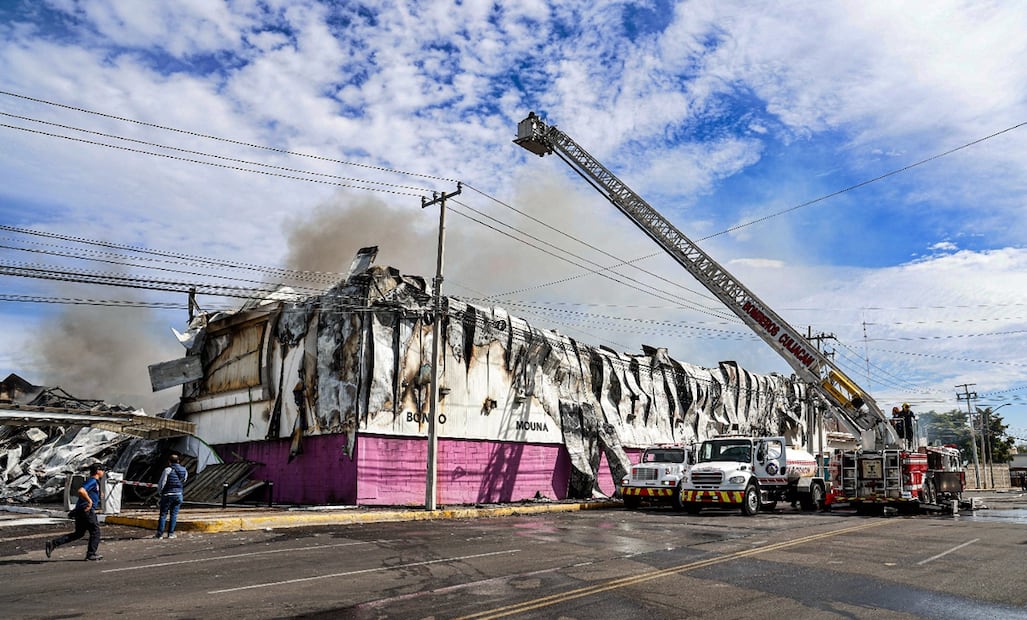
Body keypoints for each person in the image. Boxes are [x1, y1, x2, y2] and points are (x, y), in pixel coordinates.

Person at [45, 463, 104, 561]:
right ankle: (91, 554)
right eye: (102, 470)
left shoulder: (95, 482)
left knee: (79, 534)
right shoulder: (92, 481)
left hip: (80, 510)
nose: (103, 472)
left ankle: (53, 543)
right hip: (86, 510)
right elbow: (81, 491)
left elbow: (88, 492)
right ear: (98, 470)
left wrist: (97, 495)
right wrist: (89, 501)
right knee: (95, 531)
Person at [154, 453, 188, 539]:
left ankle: (160, 534)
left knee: (163, 515)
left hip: (168, 494)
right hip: (178, 495)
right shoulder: (184, 470)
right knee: (174, 515)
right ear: (178, 461)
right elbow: (184, 480)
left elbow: (162, 482)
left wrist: (160, 492)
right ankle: (171, 534)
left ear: (169, 462)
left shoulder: (167, 470)